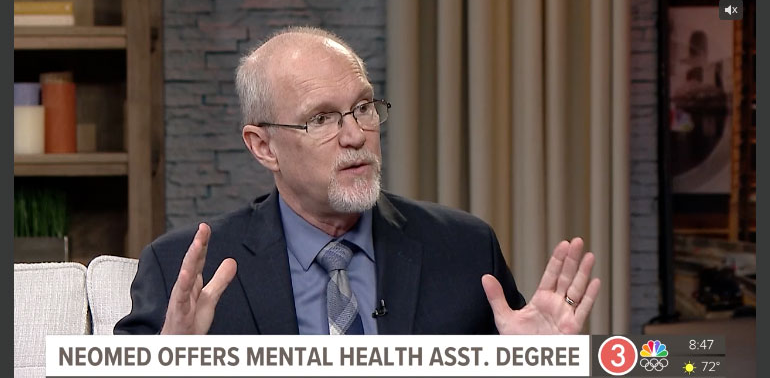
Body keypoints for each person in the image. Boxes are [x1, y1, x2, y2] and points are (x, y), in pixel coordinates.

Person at [114, 26, 600, 335]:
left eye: (363, 107)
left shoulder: (466, 250)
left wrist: (541, 367)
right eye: (321, 119)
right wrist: (165, 366)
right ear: (263, 146)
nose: (355, 135)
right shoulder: (181, 267)